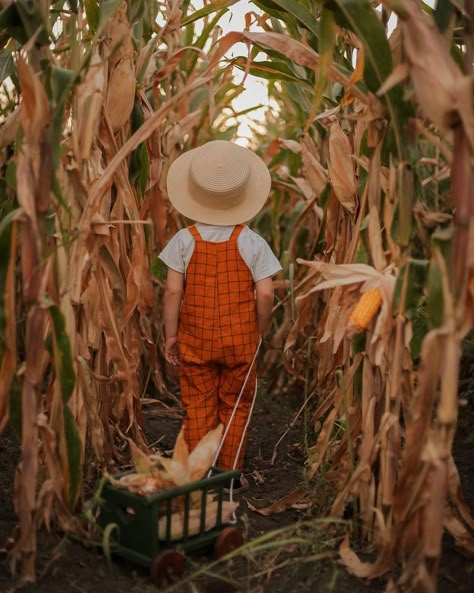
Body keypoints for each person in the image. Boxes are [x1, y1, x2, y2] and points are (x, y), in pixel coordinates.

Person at [159, 140, 281, 492]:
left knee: (197, 403)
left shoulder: (184, 239)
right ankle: (230, 475)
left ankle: (199, 476)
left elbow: (171, 292)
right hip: (240, 341)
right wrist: (261, 329)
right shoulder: (253, 242)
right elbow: (267, 293)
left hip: (195, 339)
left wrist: (171, 336)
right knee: (236, 404)